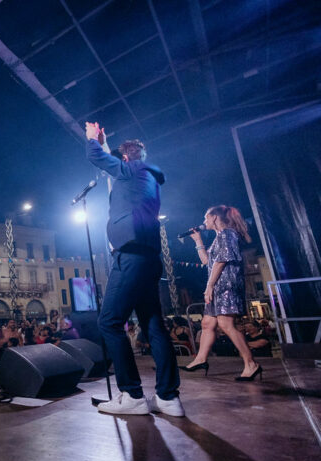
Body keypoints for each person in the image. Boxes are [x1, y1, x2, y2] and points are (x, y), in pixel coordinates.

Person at [85, 121, 183, 417]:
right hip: (149, 258)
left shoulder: (133, 170)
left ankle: (132, 394)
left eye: (119, 157)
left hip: (130, 256)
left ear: (125, 158)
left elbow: (98, 159)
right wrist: (104, 141)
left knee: (109, 322)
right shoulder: (145, 177)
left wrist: (92, 140)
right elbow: (109, 163)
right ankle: (168, 397)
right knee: (153, 325)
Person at [182, 205, 262, 380]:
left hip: (226, 286)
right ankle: (201, 359)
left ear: (214, 218)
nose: (204, 222)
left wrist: (209, 286)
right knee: (207, 323)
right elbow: (207, 261)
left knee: (226, 324)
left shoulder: (227, 234)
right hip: (218, 287)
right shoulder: (219, 237)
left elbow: (222, 261)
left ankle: (251, 364)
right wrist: (198, 241)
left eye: (206, 218)